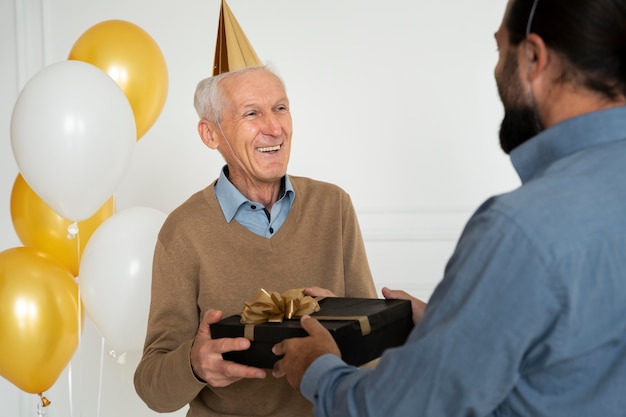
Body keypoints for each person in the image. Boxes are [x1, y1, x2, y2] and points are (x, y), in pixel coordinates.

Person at [272, 0, 626, 416]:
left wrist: (317, 369)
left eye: (500, 51)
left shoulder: (519, 230)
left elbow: (397, 410)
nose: (497, 70)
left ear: (533, 57)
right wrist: (453, 325)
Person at [133, 66, 377, 417]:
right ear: (210, 134)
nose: (274, 127)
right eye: (252, 113)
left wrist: (346, 328)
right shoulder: (183, 230)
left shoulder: (333, 206)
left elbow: (374, 353)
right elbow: (153, 390)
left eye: (280, 108)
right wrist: (194, 363)